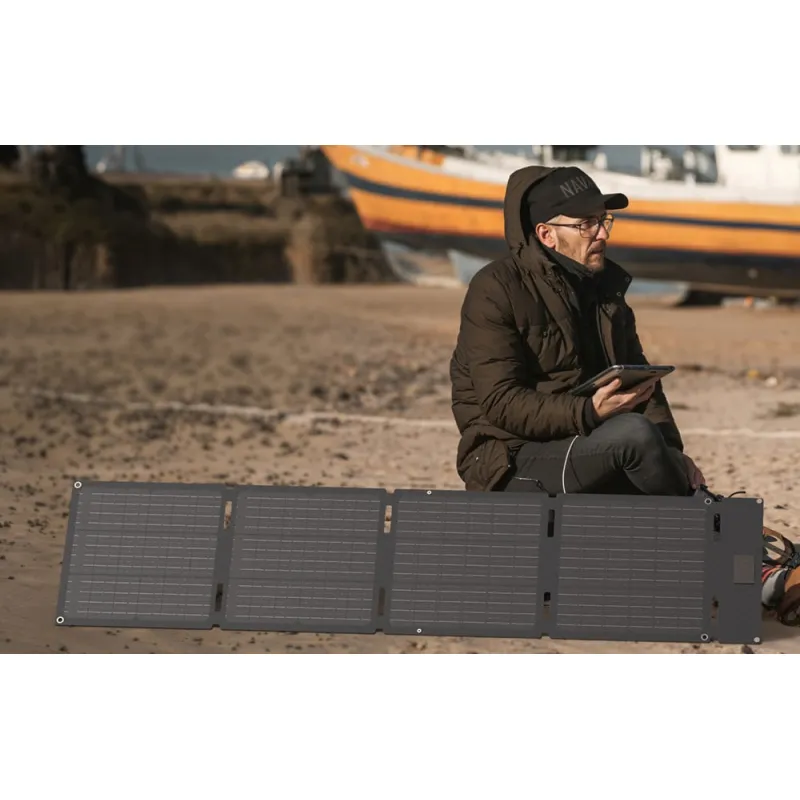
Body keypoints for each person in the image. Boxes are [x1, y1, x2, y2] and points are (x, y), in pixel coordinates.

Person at [449, 164, 800, 626]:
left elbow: (643, 385)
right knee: (633, 436)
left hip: (588, 448)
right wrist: (589, 412)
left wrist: (672, 453)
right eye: (586, 224)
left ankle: (756, 565)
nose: (601, 233)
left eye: (603, 220)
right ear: (546, 234)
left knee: (644, 443)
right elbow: (501, 404)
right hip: (509, 459)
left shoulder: (607, 292)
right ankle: (748, 563)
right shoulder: (495, 289)